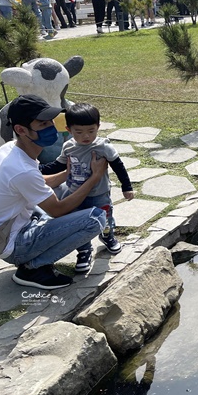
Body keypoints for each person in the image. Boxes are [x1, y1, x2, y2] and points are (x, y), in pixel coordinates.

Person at [0, 94, 109, 289]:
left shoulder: (10, 149)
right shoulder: (21, 169)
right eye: (42, 125)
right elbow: (58, 209)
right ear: (21, 129)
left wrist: (67, 173)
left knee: (63, 189)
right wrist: (94, 178)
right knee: (96, 218)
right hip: (10, 244)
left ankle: (35, 258)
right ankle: (32, 268)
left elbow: (37, 181)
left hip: (2, 230)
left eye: (50, 122)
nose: (51, 128)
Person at [40, 103, 133, 273]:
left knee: (106, 219)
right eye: (79, 132)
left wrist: (126, 187)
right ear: (69, 129)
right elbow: (58, 165)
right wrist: (37, 169)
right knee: (79, 224)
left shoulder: (103, 147)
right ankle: (84, 251)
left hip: (99, 194)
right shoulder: (68, 147)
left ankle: (108, 236)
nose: (86, 136)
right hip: (74, 195)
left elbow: (118, 166)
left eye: (91, 131)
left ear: (98, 127)